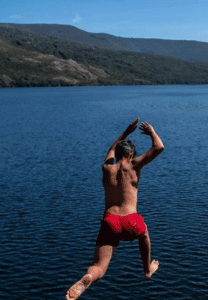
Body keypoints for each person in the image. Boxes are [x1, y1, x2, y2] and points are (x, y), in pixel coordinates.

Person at [66, 118, 164, 300]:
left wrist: (125, 133)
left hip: (110, 221)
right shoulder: (135, 164)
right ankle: (147, 270)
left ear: (117, 153)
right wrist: (151, 132)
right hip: (131, 220)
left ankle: (89, 277)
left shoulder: (106, 168)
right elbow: (159, 147)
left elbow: (111, 150)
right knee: (144, 233)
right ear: (131, 154)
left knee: (99, 267)